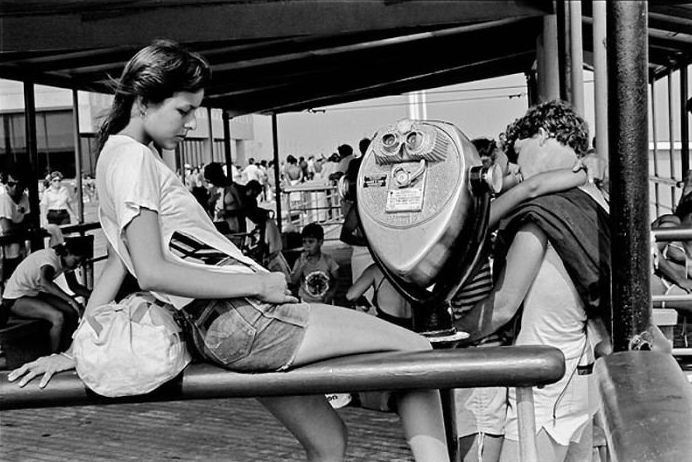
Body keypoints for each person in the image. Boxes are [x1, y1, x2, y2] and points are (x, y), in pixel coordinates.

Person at [9, 40, 449, 462]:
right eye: (183, 110)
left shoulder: (112, 157)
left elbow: (114, 264)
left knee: (329, 441)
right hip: (245, 317)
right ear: (143, 102)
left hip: (223, 329)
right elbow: (151, 272)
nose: (190, 124)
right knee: (414, 354)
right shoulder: (135, 161)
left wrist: (77, 347)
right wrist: (260, 282)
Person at [455, 100, 612, 462]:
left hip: (542, 391)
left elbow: (503, 306)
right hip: (581, 380)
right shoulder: (597, 200)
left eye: (517, 150)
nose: (514, 163)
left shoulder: (542, 217)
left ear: (541, 136)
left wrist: (448, 337)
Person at [1, 237, 91, 352]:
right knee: (58, 317)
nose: (77, 265)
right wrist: (72, 301)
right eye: (76, 261)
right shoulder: (50, 259)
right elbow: (45, 283)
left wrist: (94, 295)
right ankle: (53, 354)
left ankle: (67, 348)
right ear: (67, 252)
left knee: (72, 312)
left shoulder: (67, 262)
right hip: (15, 298)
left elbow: (75, 287)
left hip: (33, 293)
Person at [290, 223, 339, 305]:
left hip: (324, 302)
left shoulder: (328, 260)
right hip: (306, 303)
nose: (307, 246)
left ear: (320, 242)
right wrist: (301, 266)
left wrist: (331, 293)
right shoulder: (299, 261)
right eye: (304, 242)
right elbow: (293, 281)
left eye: (311, 242)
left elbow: (337, 280)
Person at [0, 167, 31, 281]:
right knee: (8, 275)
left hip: (19, 242)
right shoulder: (4, 199)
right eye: (10, 184)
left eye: (18, 184)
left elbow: (29, 221)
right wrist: (23, 227)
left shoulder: (24, 197)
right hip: (5, 244)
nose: (14, 187)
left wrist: (20, 227)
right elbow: (6, 228)